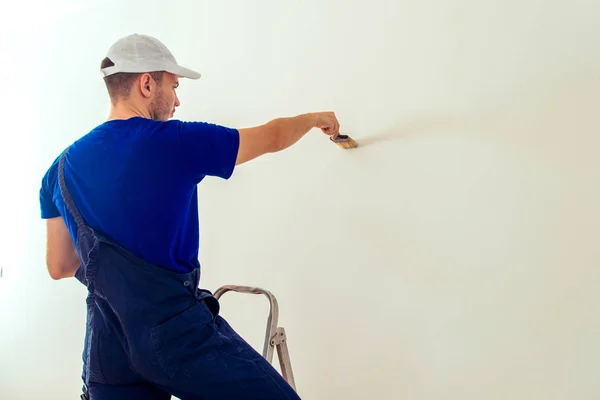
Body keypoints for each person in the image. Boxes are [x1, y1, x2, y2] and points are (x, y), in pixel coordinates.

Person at [39, 33, 340, 400]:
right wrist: (313, 118)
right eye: (174, 86)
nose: (177, 101)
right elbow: (272, 136)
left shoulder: (57, 170)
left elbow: (59, 265)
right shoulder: (175, 141)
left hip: (107, 343)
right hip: (175, 339)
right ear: (146, 83)